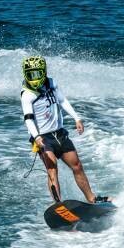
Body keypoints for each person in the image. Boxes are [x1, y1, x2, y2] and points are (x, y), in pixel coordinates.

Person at [20, 56, 109, 204]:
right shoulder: (27, 95)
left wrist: (76, 118)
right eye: (30, 74)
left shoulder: (52, 83)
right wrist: (36, 137)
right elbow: (28, 119)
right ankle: (58, 205)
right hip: (42, 137)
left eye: (37, 74)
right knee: (52, 169)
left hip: (59, 133)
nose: (34, 78)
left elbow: (62, 101)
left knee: (77, 165)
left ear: (44, 72)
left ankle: (92, 198)